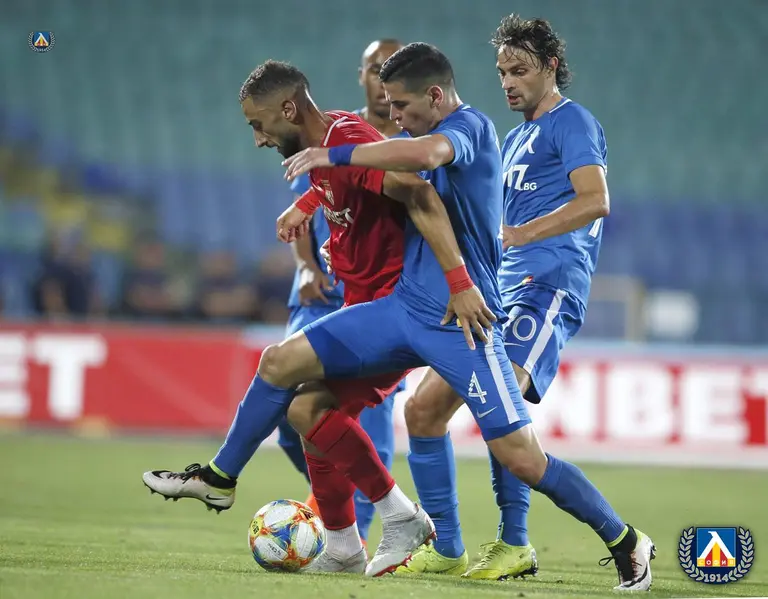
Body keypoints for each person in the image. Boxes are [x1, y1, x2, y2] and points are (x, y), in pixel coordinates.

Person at [284, 37, 656, 591]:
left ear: (551, 66)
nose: (508, 82)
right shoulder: (517, 135)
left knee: (513, 440)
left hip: (546, 286)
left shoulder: (570, 122)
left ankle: (572, 539)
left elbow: (595, 200)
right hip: (494, 292)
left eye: (520, 70)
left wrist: (520, 234)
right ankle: (449, 548)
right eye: (502, 71)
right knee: (423, 412)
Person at [143, 58, 494, 577]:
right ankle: (349, 545)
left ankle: (219, 477)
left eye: (259, 124)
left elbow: (417, 190)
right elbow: (348, 178)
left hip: (395, 309)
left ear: (288, 109)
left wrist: (459, 282)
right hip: (365, 305)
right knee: (307, 413)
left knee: (277, 363)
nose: (258, 139)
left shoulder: (345, 138)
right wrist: (308, 203)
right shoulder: (328, 141)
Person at [276, 38, 405, 546]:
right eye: (375, 68)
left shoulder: (417, 140)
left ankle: (357, 532)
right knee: (292, 413)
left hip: (379, 299)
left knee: (371, 418)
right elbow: (309, 206)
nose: (382, 78)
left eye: (391, 69)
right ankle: (337, 506)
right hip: (324, 296)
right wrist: (307, 268)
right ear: (362, 75)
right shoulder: (331, 135)